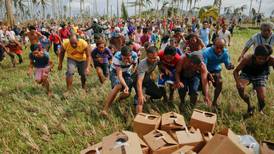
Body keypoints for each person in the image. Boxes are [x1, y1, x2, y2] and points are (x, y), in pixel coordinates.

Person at [233, 45, 274, 116]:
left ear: (268, 57)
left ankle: (260, 110)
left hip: (260, 75)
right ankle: (249, 105)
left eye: (265, 59)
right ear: (255, 56)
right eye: (260, 58)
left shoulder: (271, 59)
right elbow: (235, 71)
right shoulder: (248, 59)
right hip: (247, 74)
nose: (262, 61)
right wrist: (238, 82)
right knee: (240, 88)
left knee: (262, 98)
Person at [100, 46, 138, 117]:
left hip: (126, 72)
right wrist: (126, 86)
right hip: (115, 72)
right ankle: (105, 110)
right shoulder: (117, 57)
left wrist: (132, 66)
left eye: (128, 58)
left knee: (127, 93)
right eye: (124, 58)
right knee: (118, 86)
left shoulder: (134, 55)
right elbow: (119, 75)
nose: (126, 60)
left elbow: (135, 65)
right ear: (121, 55)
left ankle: (118, 100)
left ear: (131, 55)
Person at [202, 38, 234, 110]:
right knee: (204, 88)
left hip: (216, 70)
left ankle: (214, 102)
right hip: (205, 70)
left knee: (219, 82)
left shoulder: (225, 53)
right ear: (213, 45)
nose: (219, 50)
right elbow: (203, 68)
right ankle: (207, 99)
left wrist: (230, 66)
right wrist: (208, 75)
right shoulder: (206, 52)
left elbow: (227, 65)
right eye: (217, 47)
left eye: (221, 47)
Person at [135, 46, 164, 113]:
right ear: (147, 55)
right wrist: (140, 95)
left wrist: (162, 71)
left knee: (159, 94)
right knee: (139, 100)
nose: (152, 60)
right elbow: (139, 82)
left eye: (154, 58)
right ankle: (138, 118)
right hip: (139, 81)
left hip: (147, 80)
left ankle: (148, 99)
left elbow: (159, 65)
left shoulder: (157, 59)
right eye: (150, 58)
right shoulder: (142, 64)